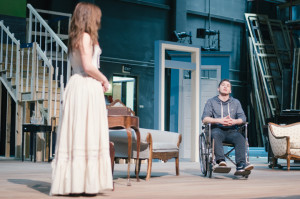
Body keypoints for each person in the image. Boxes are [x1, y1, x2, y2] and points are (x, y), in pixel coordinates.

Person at [50, 2, 113, 195]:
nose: (99, 20)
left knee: (82, 133)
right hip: (85, 86)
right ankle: (83, 183)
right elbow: (88, 66)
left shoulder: (78, 38)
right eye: (97, 17)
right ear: (89, 17)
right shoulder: (85, 38)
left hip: (81, 86)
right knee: (86, 132)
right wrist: (105, 80)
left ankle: (80, 182)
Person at [201, 79, 254, 172]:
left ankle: (241, 165)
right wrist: (219, 120)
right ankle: (221, 161)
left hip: (232, 130)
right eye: (223, 85)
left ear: (230, 90)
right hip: (216, 129)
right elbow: (205, 119)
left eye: (228, 86)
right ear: (218, 88)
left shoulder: (236, 102)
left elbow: (243, 118)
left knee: (241, 139)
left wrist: (234, 121)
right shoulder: (211, 102)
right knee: (216, 135)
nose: (225, 87)